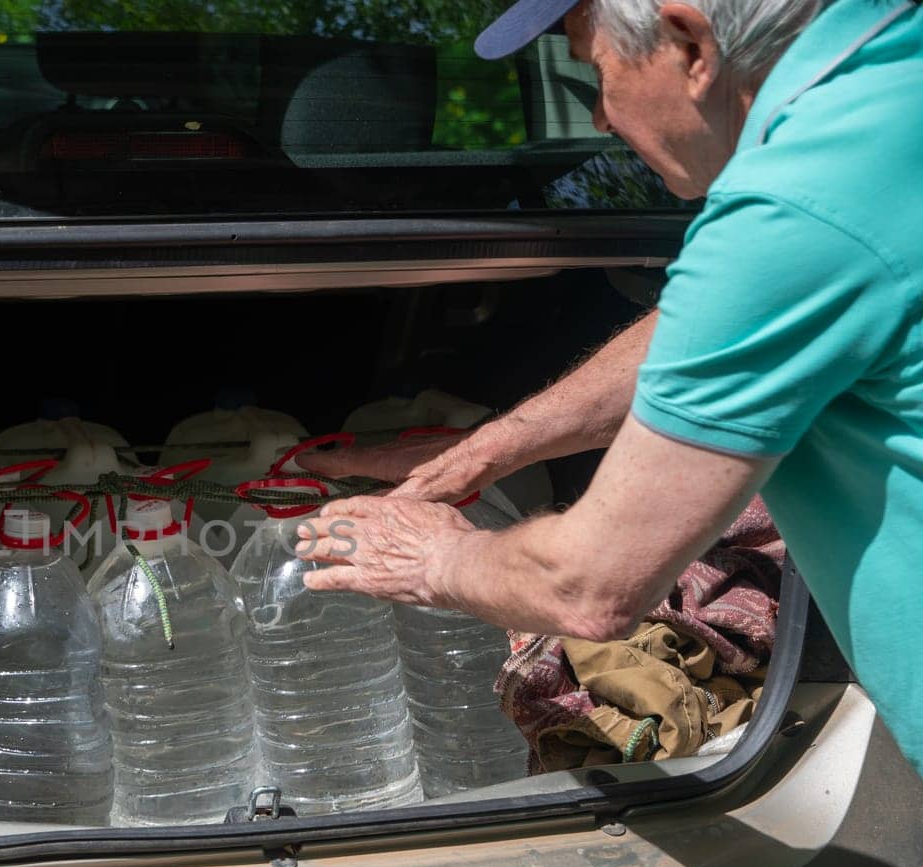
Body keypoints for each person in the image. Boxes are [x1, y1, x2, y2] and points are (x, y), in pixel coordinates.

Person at [296, 0, 923, 770]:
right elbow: (720, 322)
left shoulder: (796, 204)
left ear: (691, 44)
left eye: (596, 75)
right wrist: (496, 444)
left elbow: (589, 588)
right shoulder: (890, 85)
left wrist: (433, 558)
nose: (598, 119)